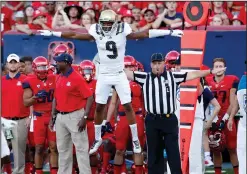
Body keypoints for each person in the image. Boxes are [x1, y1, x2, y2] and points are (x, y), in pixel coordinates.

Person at [38, 9, 183, 155]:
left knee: (127, 106)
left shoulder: (122, 29)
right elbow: (76, 35)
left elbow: (144, 33)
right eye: (104, 24)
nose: (106, 26)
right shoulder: (96, 30)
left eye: (109, 23)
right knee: (100, 107)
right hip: (104, 74)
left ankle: (135, 139)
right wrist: (53, 32)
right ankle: (97, 138)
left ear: (115, 23)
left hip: (120, 73)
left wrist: (168, 32)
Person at [124, 53, 226, 174]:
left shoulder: (173, 76)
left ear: (163, 64)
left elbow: (192, 74)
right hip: (152, 120)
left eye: (159, 63)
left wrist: (210, 71)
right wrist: (110, 64)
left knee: (173, 153)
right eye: (155, 63)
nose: (157, 66)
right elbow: (126, 73)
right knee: (154, 154)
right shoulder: (144, 77)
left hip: (169, 120)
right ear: (151, 65)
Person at [50, 53, 94, 174]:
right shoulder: (58, 76)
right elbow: (55, 98)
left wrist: (84, 117)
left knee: (81, 149)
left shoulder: (77, 78)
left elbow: (90, 97)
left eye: (58, 62)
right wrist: (53, 117)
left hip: (75, 116)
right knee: (63, 150)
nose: (56, 64)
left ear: (66, 63)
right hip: (60, 116)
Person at [106, 55, 145, 174]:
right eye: (126, 67)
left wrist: (146, 117)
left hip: (137, 116)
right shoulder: (118, 81)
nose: (128, 69)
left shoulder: (140, 81)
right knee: (119, 149)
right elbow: (113, 103)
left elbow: (144, 102)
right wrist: (107, 121)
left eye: (131, 66)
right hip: (123, 118)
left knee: (137, 149)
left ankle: (138, 171)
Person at [22, 56, 58, 174]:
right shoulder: (29, 80)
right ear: (34, 68)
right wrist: (35, 97)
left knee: (54, 147)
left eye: (44, 66)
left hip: (53, 116)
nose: (42, 69)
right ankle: (38, 172)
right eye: (40, 67)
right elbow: (26, 102)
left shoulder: (54, 78)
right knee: (38, 147)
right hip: (39, 116)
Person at [206, 58, 239, 174]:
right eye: (216, 66)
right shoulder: (207, 80)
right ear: (213, 68)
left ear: (225, 68)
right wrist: (213, 120)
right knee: (215, 148)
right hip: (212, 118)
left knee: (232, 149)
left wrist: (225, 119)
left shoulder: (232, 79)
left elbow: (233, 102)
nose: (219, 69)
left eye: (221, 66)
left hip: (227, 117)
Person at [1, 53, 31, 174]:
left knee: (19, 151)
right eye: (10, 62)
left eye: (15, 62)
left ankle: (19, 172)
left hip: (20, 121)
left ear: (19, 64)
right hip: (5, 122)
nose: (13, 64)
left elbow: (31, 99)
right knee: (4, 149)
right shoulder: (2, 81)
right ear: (7, 65)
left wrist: (30, 116)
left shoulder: (25, 80)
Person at [79, 60, 99, 174]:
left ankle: (94, 171)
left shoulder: (97, 83)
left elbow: (102, 103)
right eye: (86, 70)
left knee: (92, 151)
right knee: (76, 150)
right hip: (78, 120)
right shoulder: (77, 82)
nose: (88, 73)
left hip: (92, 120)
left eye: (89, 70)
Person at [236, 72, 246, 174]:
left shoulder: (242, 81)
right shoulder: (243, 81)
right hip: (243, 124)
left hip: (243, 123)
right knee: (242, 152)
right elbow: (237, 103)